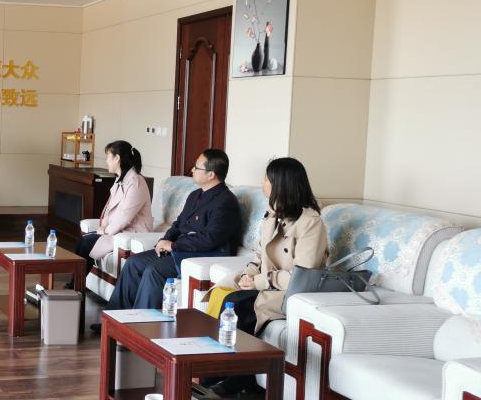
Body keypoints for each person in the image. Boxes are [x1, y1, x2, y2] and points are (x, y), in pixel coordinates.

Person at [207, 157, 328, 396]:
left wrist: (260, 282)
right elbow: (259, 256)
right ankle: (216, 366)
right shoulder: (272, 215)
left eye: (266, 178)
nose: (262, 182)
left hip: (289, 291)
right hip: (266, 283)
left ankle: (232, 376)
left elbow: (302, 275)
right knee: (220, 293)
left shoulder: (310, 223)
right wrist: (249, 275)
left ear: (280, 184)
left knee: (238, 304)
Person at [99, 149, 242, 323]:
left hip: (201, 255)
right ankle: (114, 320)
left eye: (197, 167)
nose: (192, 170)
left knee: (154, 271)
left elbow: (210, 239)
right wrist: (164, 240)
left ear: (211, 174)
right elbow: (178, 224)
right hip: (180, 249)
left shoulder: (226, 202)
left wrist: (173, 246)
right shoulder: (195, 195)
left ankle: (139, 324)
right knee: (133, 263)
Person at [70, 141, 153, 288]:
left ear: (117, 158)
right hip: (117, 230)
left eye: (108, 157)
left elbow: (124, 217)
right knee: (82, 241)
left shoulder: (136, 182)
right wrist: (103, 226)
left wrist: (105, 230)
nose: (106, 161)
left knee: (87, 244)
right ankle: (74, 286)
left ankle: (74, 288)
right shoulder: (121, 179)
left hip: (132, 233)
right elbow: (110, 209)